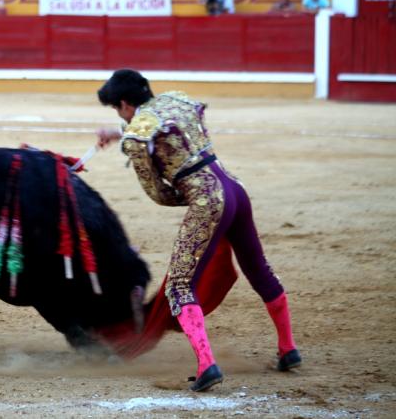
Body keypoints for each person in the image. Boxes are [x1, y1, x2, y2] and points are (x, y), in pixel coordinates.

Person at [95, 69, 301, 392]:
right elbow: (163, 129)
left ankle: (207, 364)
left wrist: (189, 196)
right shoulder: (175, 100)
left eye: (116, 109)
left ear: (124, 103)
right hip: (235, 190)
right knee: (258, 269)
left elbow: (157, 193)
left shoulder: (137, 136)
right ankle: (288, 348)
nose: (118, 114)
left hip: (208, 202)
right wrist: (120, 133)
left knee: (178, 285)